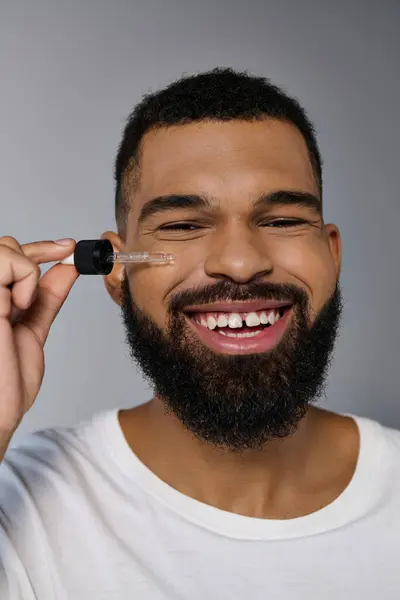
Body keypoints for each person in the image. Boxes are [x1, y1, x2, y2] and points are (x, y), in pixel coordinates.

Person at [0, 67, 399, 599]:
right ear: (116, 271)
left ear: (333, 254)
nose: (239, 263)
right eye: (184, 225)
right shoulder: (19, 507)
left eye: (281, 221)